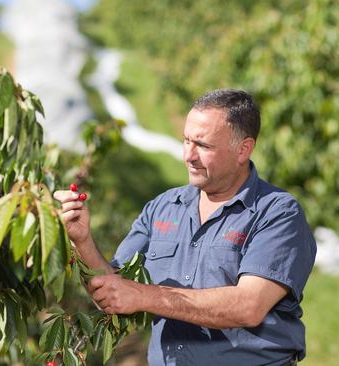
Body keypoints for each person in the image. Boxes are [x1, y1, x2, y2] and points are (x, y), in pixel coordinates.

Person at [54, 89, 317, 366]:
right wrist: (82, 241)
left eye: (203, 146)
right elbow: (115, 292)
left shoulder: (277, 213)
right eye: (186, 141)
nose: (189, 155)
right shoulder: (163, 208)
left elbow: (248, 306)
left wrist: (144, 295)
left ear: (243, 149)